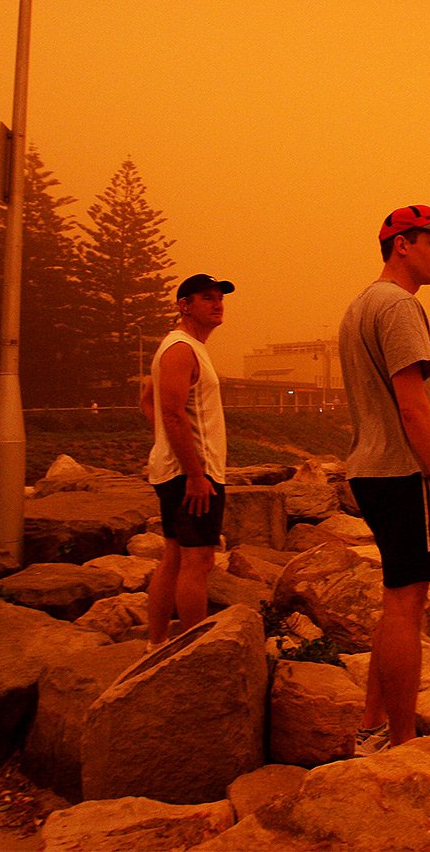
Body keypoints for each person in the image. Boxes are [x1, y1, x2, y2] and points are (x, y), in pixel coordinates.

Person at [339, 205, 430, 749]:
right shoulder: (397, 308)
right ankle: (401, 739)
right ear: (401, 245)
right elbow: (413, 407)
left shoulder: (360, 306)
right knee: (405, 606)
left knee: (396, 599)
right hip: (402, 471)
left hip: (370, 469)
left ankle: (372, 726)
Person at [140, 273, 234, 649]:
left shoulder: (182, 347)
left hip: (176, 469)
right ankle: (197, 652)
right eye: (206, 298)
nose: (217, 304)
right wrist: (196, 475)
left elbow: (149, 402)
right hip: (192, 474)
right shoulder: (181, 349)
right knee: (199, 563)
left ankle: (157, 642)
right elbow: (172, 412)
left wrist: (164, 440)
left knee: (175, 557)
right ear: (184, 305)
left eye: (220, 298)